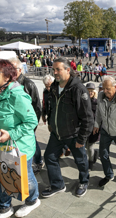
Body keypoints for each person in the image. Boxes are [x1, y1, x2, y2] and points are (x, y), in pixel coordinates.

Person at [0, 59, 40, 218]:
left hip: (17, 146)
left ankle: (32, 200)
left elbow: (31, 121)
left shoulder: (17, 95)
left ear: (7, 77)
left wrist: (10, 134)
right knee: (3, 177)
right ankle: (5, 207)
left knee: (25, 179)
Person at [43, 57, 93, 198]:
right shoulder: (54, 86)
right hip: (57, 134)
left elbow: (88, 118)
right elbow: (52, 107)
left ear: (68, 70)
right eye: (53, 69)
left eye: (58, 69)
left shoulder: (78, 89)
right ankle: (57, 185)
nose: (55, 72)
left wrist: (82, 138)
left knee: (81, 160)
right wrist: (51, 123)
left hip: (74, 134)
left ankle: (83, 182)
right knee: (49, 157)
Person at [10, 58, 44, 175]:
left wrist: (33, 126)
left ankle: (38, 162)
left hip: (27, 123)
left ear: (20, 70)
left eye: (13, 68)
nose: (10, 71)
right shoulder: (8, 83)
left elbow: (37, 107)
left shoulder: (28, 84)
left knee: (32, 142)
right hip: (14, 125)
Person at [85, 83, 99, 170]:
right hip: (84, 127)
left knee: (89, 146)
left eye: (92, 91)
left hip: (93, 128)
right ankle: (95, 154)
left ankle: (90, 163)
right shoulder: (83, 101)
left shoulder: (96, 102)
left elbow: (99, 117)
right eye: (88, 91)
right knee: (86, 146)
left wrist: (96, 126)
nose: (90, 92)